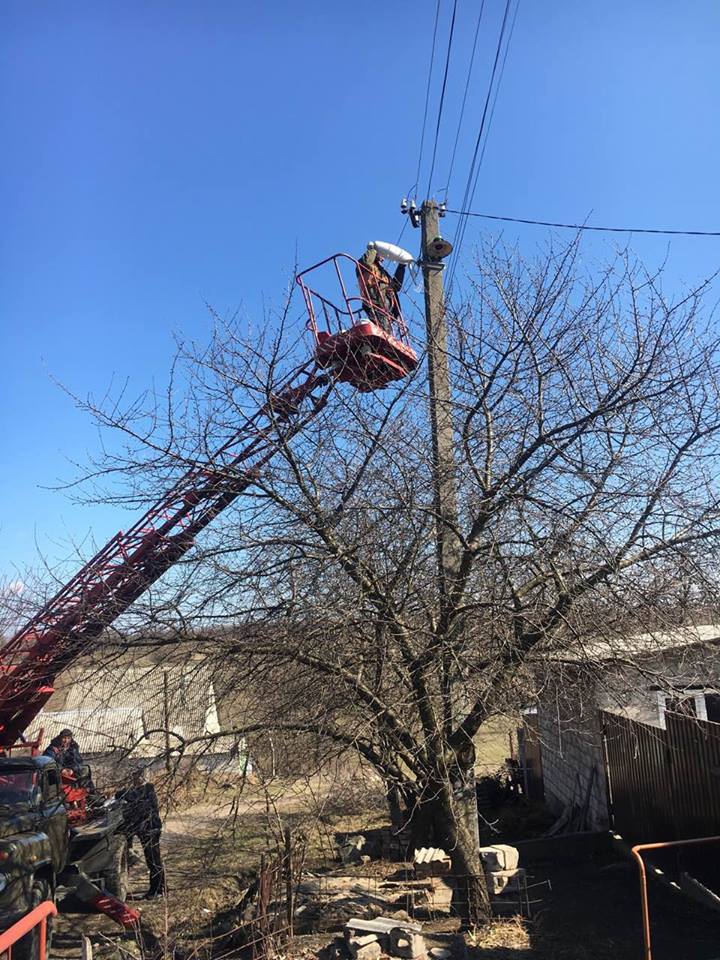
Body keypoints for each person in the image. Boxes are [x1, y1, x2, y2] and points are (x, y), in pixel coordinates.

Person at [116, 766, 166, 899]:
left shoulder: (148, 789)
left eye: (136, 777)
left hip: (151, 829)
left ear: (141, 777)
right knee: (152, 859)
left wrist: (123, 795)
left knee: (153, 860)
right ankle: (160, 888)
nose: (133, 779)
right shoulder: (136, 790)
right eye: (133, 777)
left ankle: (158, 890)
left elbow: (136, 800)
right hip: (143, 829)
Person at [356, 244, 406, 332]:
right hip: (376, 303)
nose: (383, 259)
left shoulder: (382, 272)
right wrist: (374, 250)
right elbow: (366, 262)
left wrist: (401, 267)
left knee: (386, 331)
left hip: (387, 310)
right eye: (382, 255)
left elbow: (396, 286)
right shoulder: (364, 265)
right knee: (383, 331)